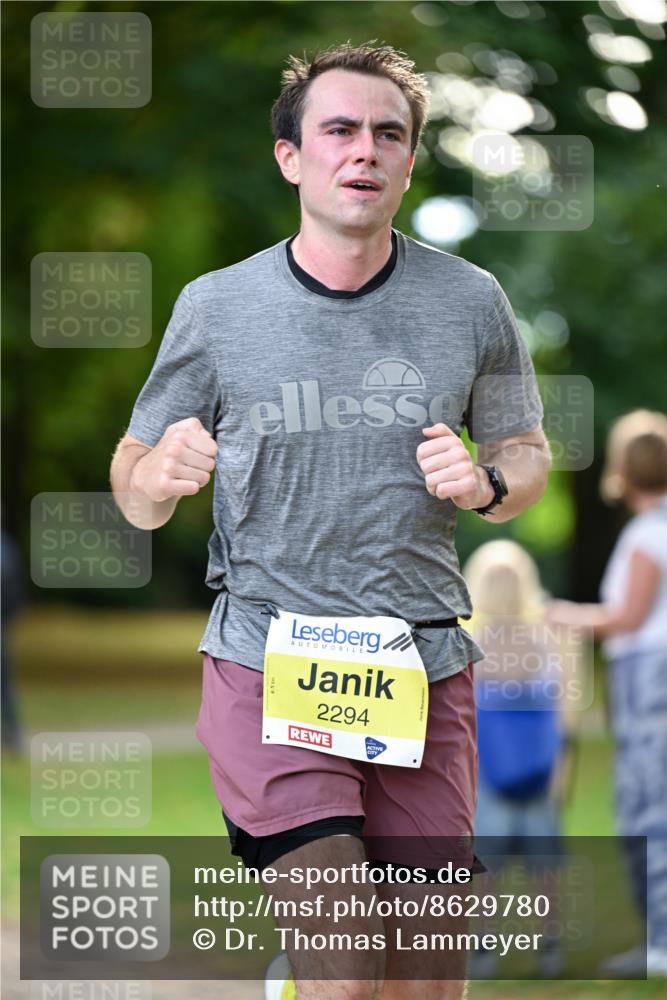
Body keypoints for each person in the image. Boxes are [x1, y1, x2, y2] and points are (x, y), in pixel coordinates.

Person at [110, 42, 551, 1000]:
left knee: (426, 976)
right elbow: (131, 481)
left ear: (408, 160)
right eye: (339, 129)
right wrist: (161, 473)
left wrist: (481, 484)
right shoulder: (217, 307)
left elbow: (526, 459)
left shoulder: (472, 301)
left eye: (387, 133)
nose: (364, 150)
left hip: (422, 661)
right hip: (271, 655)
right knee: (345, 958)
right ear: (291, 157)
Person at [548, 410, 667, 978]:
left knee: (649, 807)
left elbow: (628, 616)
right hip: (647, 679)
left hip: (650, 682)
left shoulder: (647, 535)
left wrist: (564, 615)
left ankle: (662, 943)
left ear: (622, 469)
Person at [463, 540, 573, 979]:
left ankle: (484, 947)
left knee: (485, 866)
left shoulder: (473, 645)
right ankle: (550, 946)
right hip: (540, 775)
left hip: (489, 775)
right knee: (545, 865)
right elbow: (561, 713)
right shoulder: (544, 644)